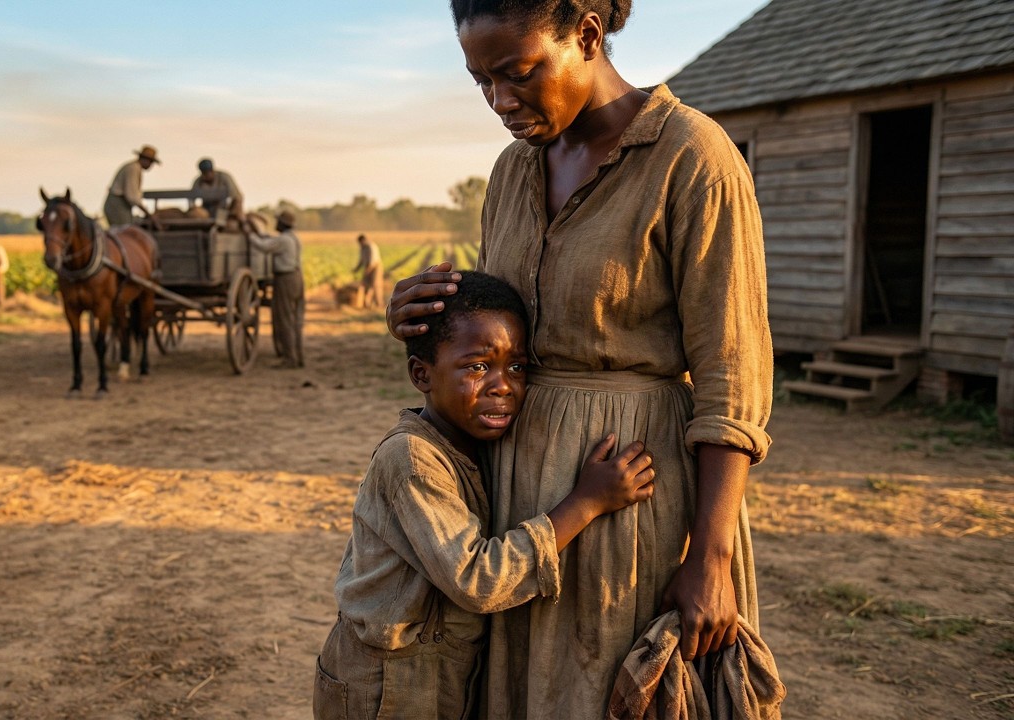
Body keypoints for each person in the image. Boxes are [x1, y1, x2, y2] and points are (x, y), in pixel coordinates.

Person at [386, 2, 777, 717]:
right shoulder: (511, 172)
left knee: (607, 689)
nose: (501, 103)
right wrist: (418, 316)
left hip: (632, 491)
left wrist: (710, 559)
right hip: (520, 491)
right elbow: (493, 333)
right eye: (481, 83)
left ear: (588, 35)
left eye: (518, 74)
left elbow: (733, 372)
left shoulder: (692, 156)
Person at [315, 271, 656, 720]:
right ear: (422, 373)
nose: (503, 386)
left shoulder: (478, 447)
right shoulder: (413, 459)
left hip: (440, 676)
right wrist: (586, 502)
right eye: (477, 367)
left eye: (516, 367)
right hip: (384, 686)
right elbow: (476, 579)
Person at [248, 211, 305, 368]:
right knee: (295, 319)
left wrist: (250, 235)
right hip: (297, 278)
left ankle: (290, 359)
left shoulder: (284, 240)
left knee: (284, 319)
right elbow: (270, 240)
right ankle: (298, 356)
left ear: (283, 224)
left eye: (278, 222)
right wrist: (261, 234)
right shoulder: (293, 238)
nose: (276, 224)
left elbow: (263, 247)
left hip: (285, 279)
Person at [103, 145, 161, 226]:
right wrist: (149, 214)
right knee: (124, 232)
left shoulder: (134, 168)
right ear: (145, 159)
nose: (151, 165)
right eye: (151, 162)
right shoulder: (133, 169)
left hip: (119, 206)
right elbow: (132, 196)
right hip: (118, 206)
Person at [190, 158, 245, 225]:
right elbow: (191, 199)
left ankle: (245, 227)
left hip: (224, 208)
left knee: (237, 215)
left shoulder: (224, 177)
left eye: (208, 172)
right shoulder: (198, 181)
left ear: (212, 170)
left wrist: (231, 211)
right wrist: (195, 209)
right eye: (204, 173)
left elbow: (236, 196)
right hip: (206, 210)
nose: (206, 175)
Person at [352, 234, 383, 309]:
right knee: (366, 285)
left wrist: (367, 271)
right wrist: (356, 269)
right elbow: (361, 261)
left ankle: (379, 304)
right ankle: (367, 304)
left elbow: (372, 262)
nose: (360, 244)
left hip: (376, 267)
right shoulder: (362, 248)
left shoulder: (371, 246)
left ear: (363, 240)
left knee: (375, 285)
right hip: (367, 266)